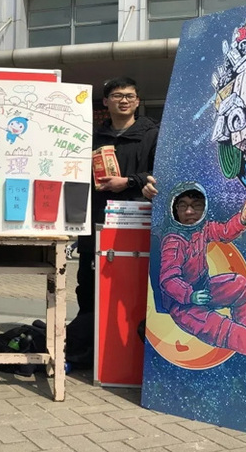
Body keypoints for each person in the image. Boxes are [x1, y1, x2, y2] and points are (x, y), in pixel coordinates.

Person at [158, 183, 246, 368]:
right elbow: (168, 279)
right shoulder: (173, 242)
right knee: (221, 327)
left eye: (196, 205)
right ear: (174, 209)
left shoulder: (201, 228)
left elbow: (224, 232)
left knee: (240, 286)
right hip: (183, 306)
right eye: (183, 206)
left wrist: (242, 219)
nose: (189, 211)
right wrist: (190, 295)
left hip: (203, 289)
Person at [77, 77, 158, 315]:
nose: (124, 101)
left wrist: (129, 181)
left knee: (133, 288)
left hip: (135, 224)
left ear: (137, 101)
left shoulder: (152, 135)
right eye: (117, 96)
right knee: (88, 287)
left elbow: (162, 172)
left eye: (129, 96)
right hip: (96, 223)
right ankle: (88, 335)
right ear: (105, 102)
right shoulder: (92, 138)